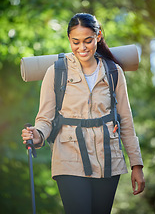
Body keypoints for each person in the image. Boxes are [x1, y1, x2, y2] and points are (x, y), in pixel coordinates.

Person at [21, 13, 145, 214]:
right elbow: (45, 119)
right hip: (69, 157)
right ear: (69, 40)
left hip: (108, 159)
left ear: (98, 36)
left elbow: (126, 121)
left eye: (88, 40)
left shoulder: (114, 71)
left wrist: (136, 165)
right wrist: (37, 134)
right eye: (75, 42)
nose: (82, 47)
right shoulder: (56, 71)